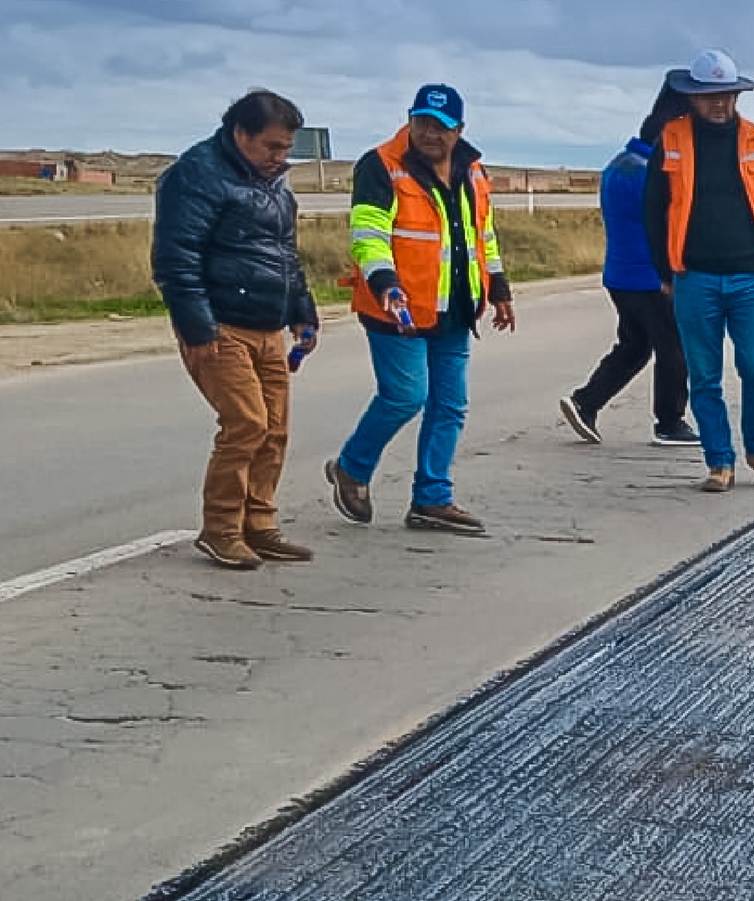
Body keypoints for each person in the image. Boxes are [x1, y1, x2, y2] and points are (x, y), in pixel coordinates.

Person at [324, 83, 512, 538]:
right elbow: (368, 234)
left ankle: (432, 499)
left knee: (449, 405)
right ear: (410, 120)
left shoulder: (473, 170)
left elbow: (482, 234)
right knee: (406, 396)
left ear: (459, 129)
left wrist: (500, 286)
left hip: (455, 309)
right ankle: (352, 467)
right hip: (397, 309)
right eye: (423, 122)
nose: (431, 134)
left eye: (442, 126)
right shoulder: (381, 166)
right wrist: (385, 282)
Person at [153, 88, 320, 569]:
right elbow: (175, 260)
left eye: (287, 148)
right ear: (239, 133)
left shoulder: (273, 183)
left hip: (268, 325)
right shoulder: (195, 176)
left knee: (275, 431)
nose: (281, 157)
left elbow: (285, 253)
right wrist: (197, 329)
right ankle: (221, 528)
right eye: (272, 146)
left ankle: (259, 525)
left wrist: (302, 311)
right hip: (220, 325)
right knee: (247, 423)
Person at [646, 48, 754, 493]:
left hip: (751, 277)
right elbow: (653, 209)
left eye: (727, 95)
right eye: (709, 96)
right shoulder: (670, 139)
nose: (719, 103)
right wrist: (665, 273)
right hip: (695, 279)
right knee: (704, 376)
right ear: (691, 97)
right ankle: (719, 462)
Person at [560, 81, 698, 447]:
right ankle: (669, 421)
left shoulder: (617, 165)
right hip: (649, 277)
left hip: (619, 273)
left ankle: (585, 402)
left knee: (635, 345)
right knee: (674, 346)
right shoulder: (649, 173)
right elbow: (672, 220)